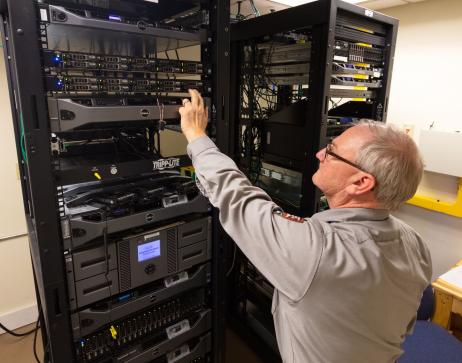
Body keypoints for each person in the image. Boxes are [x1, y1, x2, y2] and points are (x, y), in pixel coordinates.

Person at [179, 89, 432, 363]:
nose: (320, 152)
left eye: (333, 152)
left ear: (361, 183)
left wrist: (196, 135)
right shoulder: (415, 243)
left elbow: (236, 196)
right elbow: (403, 325)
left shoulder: (317, 251)